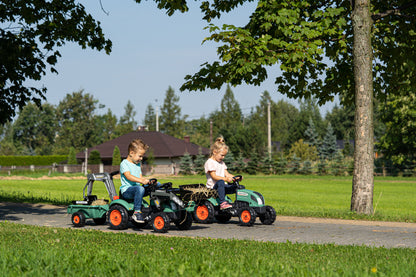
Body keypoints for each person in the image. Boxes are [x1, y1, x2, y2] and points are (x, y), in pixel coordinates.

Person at [120, 138, 150, 223]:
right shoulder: (124, 163)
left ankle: (154, 209)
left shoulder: (137, 164)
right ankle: (137, 212)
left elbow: (140, 177)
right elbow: (128, 176)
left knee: (155, 186)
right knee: (139, 188)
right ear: (131, 153)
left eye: (142, 156)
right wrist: (141, 181)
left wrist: (147, 181)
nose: (141, 158)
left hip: (137, 189)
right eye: (140, 156)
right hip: (127, 191)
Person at [204, 136, 235, 210]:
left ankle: (238, 204)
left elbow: (227, 174)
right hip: (213, 188)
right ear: (214, 152)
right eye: (222, 155)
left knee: (237, 187)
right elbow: (214, 176)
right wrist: (226, 179)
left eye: (224, 155)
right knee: (220, 181)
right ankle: (222, 203)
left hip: (222, 186)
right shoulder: (210, 162)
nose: (223, 157)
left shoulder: (221, 163)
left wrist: (235, 177)